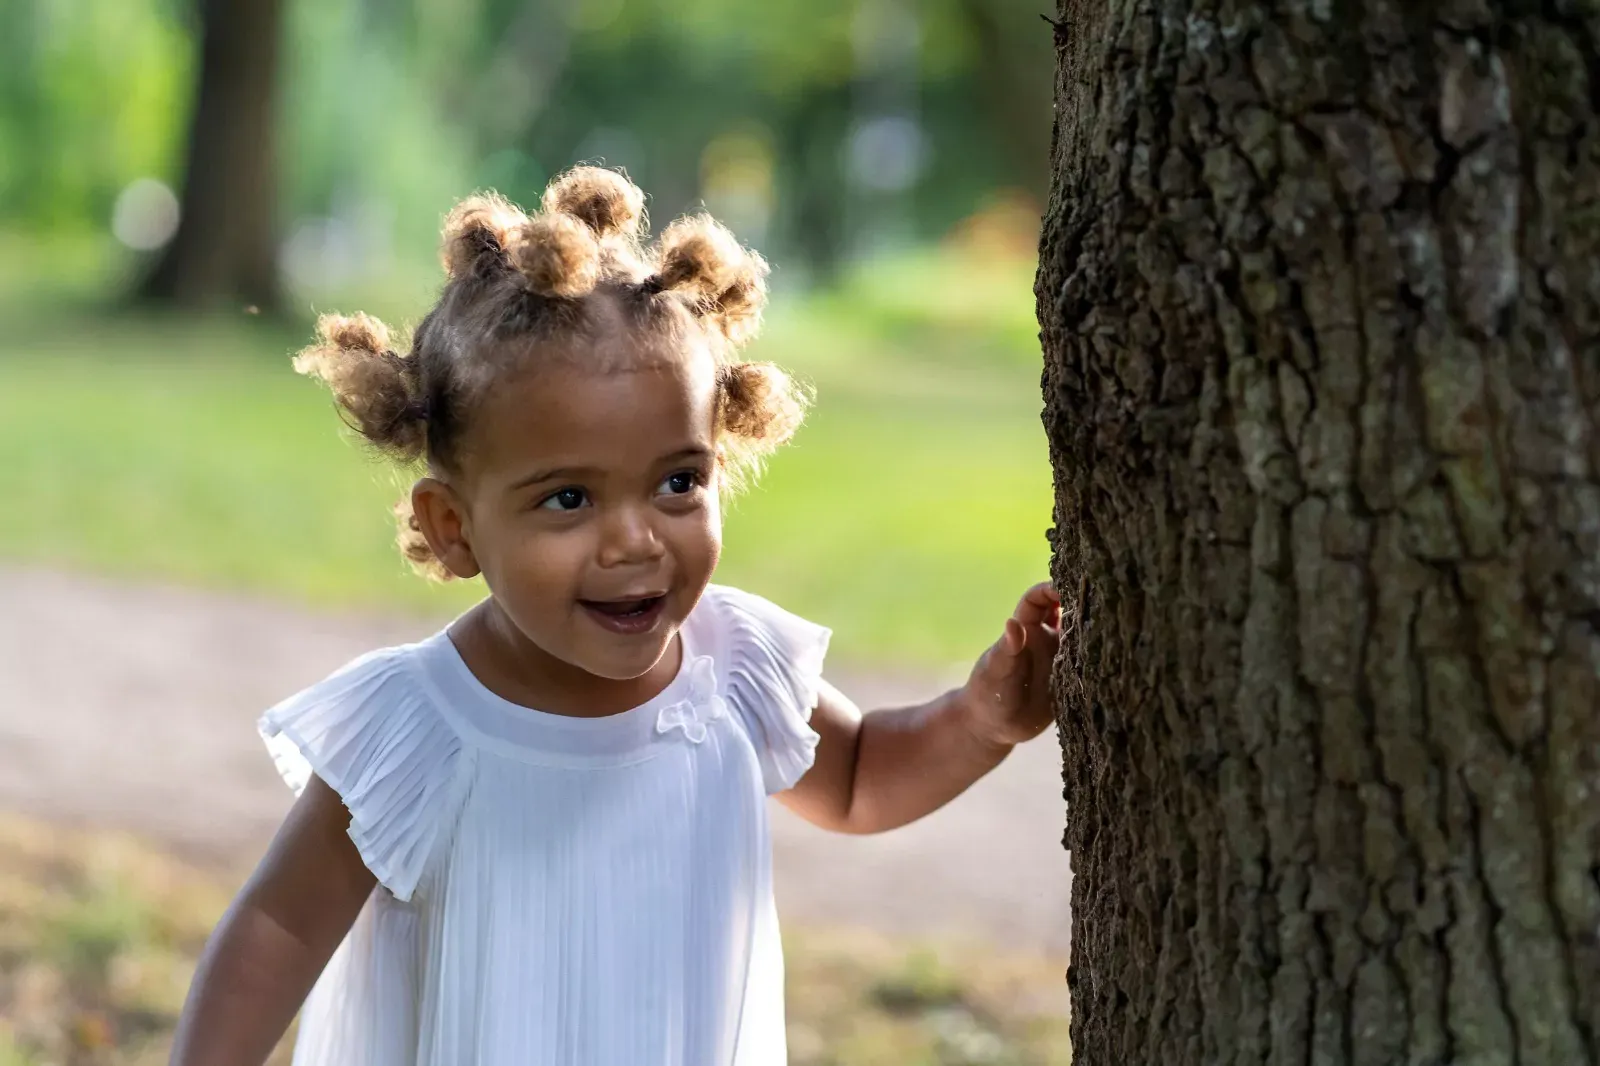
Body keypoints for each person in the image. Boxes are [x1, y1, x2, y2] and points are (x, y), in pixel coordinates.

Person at [168, 166, 1061, 1066]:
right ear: (455, 526)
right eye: (567, 500)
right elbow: (276, 928)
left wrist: (980, 722)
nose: (634, 542)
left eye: (679, 482)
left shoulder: (733, 663)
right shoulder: (416, 728)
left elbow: (861, 776)